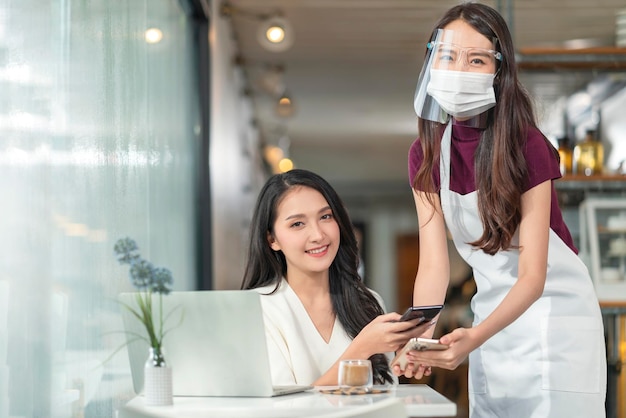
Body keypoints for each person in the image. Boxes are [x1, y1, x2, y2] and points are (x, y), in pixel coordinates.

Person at [397, 3, 607, 417]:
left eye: (476, 59)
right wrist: (420, 341)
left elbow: (532, 277)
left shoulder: (527, 146)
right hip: (492, 319)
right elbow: (434, 268)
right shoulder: (424, 154)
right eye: (448, 56)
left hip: (554, 317)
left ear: (499, 71)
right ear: (431, 62)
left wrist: (474, 336)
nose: (458, 69)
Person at [241, 168, 430, 386]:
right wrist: (362, 348)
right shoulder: (256, 308)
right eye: (297, 224)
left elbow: (386, 394)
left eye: (325, 216)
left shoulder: (368, 301)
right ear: (272, 239)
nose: (318, 235)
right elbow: (282, 410)